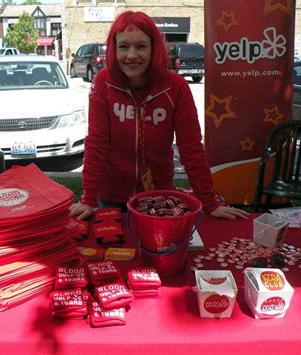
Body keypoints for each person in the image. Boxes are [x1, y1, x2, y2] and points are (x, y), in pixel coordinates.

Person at [69, 11, 248, 221]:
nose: (132, 55)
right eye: (124, 46)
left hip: (157, 195)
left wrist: (209, 203)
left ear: (154, 49)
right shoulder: (103, 83)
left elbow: (191, 148)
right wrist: (88, 198)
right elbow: (97, 143)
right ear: (113, 49)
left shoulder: (176, 87)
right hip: (110, 195)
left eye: (141, 46)